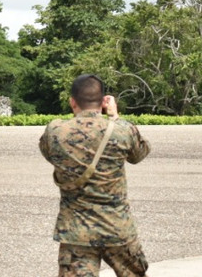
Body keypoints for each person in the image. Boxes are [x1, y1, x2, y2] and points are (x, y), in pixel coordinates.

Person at [39, 74, 152, 277]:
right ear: (103, 102)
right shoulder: (122, 130)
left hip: (76, 233)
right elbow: (139, 155)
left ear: (72, 101)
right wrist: (114, 118)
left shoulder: (55, 131)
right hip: (117, 228)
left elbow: (50, 155)